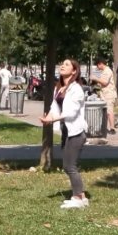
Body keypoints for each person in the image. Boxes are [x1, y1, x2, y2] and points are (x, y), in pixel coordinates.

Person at [41, 58, 89, 209]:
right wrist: (47, 118)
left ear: (74, 71)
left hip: (77, 132)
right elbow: (54, 108)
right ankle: (81, 196)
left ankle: (78, 198)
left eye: (67, 64)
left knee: (70, 166)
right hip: (66, 131)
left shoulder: (77, 89)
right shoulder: (59, 88)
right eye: (62, 63)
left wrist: (54, 118)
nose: (62, 66)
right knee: (67, 164)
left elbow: (71, 112)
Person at [92, 56, 117, 134]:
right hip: (104, 94)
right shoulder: (103, 71)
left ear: (100, 64)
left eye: (97, 65)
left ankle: (112, 128)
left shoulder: (107, 71)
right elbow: (101, 83)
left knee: (109, 111)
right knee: (105, 111)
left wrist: (95, 78)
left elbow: (105, 82)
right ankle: (104, 127)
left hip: (109, 94)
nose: (97, 67)